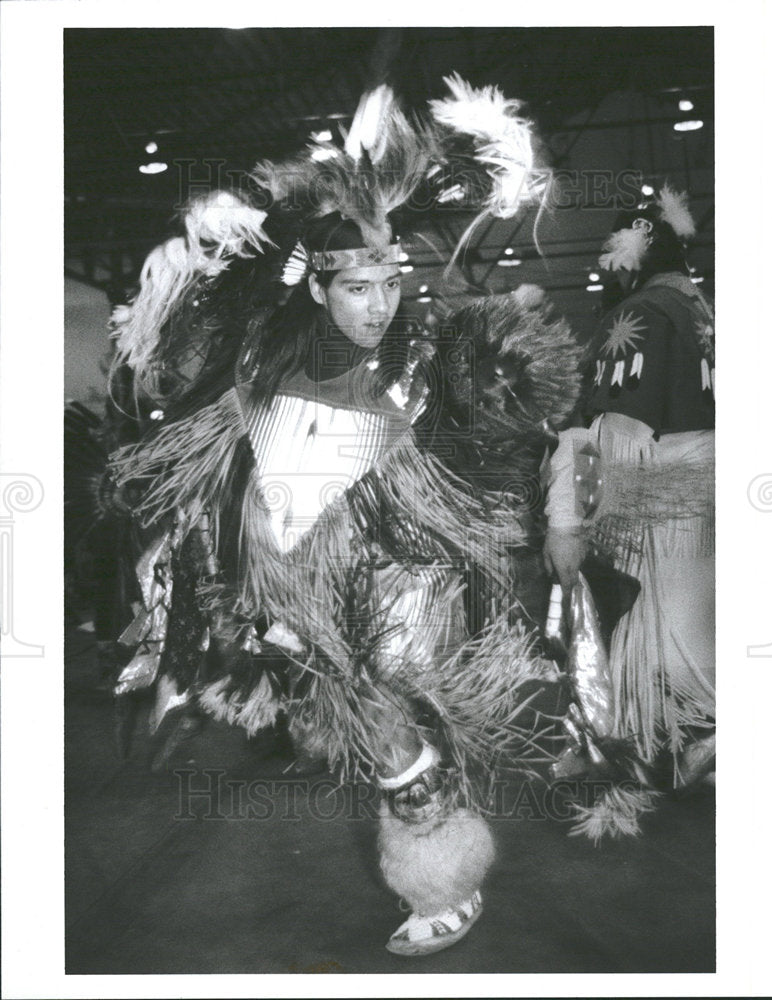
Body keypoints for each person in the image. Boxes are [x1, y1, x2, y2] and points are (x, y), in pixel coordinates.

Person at [105, 79, 584, 955]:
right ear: (319, 288)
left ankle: (446, 877)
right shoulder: (264, 363)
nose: (381, 303)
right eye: (359, 286)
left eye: (391, 283)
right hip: (288, 588)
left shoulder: (410, 368)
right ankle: (436, 846)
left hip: (381, 581)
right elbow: (210, 432)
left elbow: (467, 451)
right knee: (355, 713)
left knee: (382, 714)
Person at [544, 184, 715, 839]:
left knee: (646, 643)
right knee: (698, 639)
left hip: (659, 519)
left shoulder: (638, 315)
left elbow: (604, 438)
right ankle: (678, 743)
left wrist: (573, 521)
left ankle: (671, 743)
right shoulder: (702, 310)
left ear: (630, 257)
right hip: (712, 511)